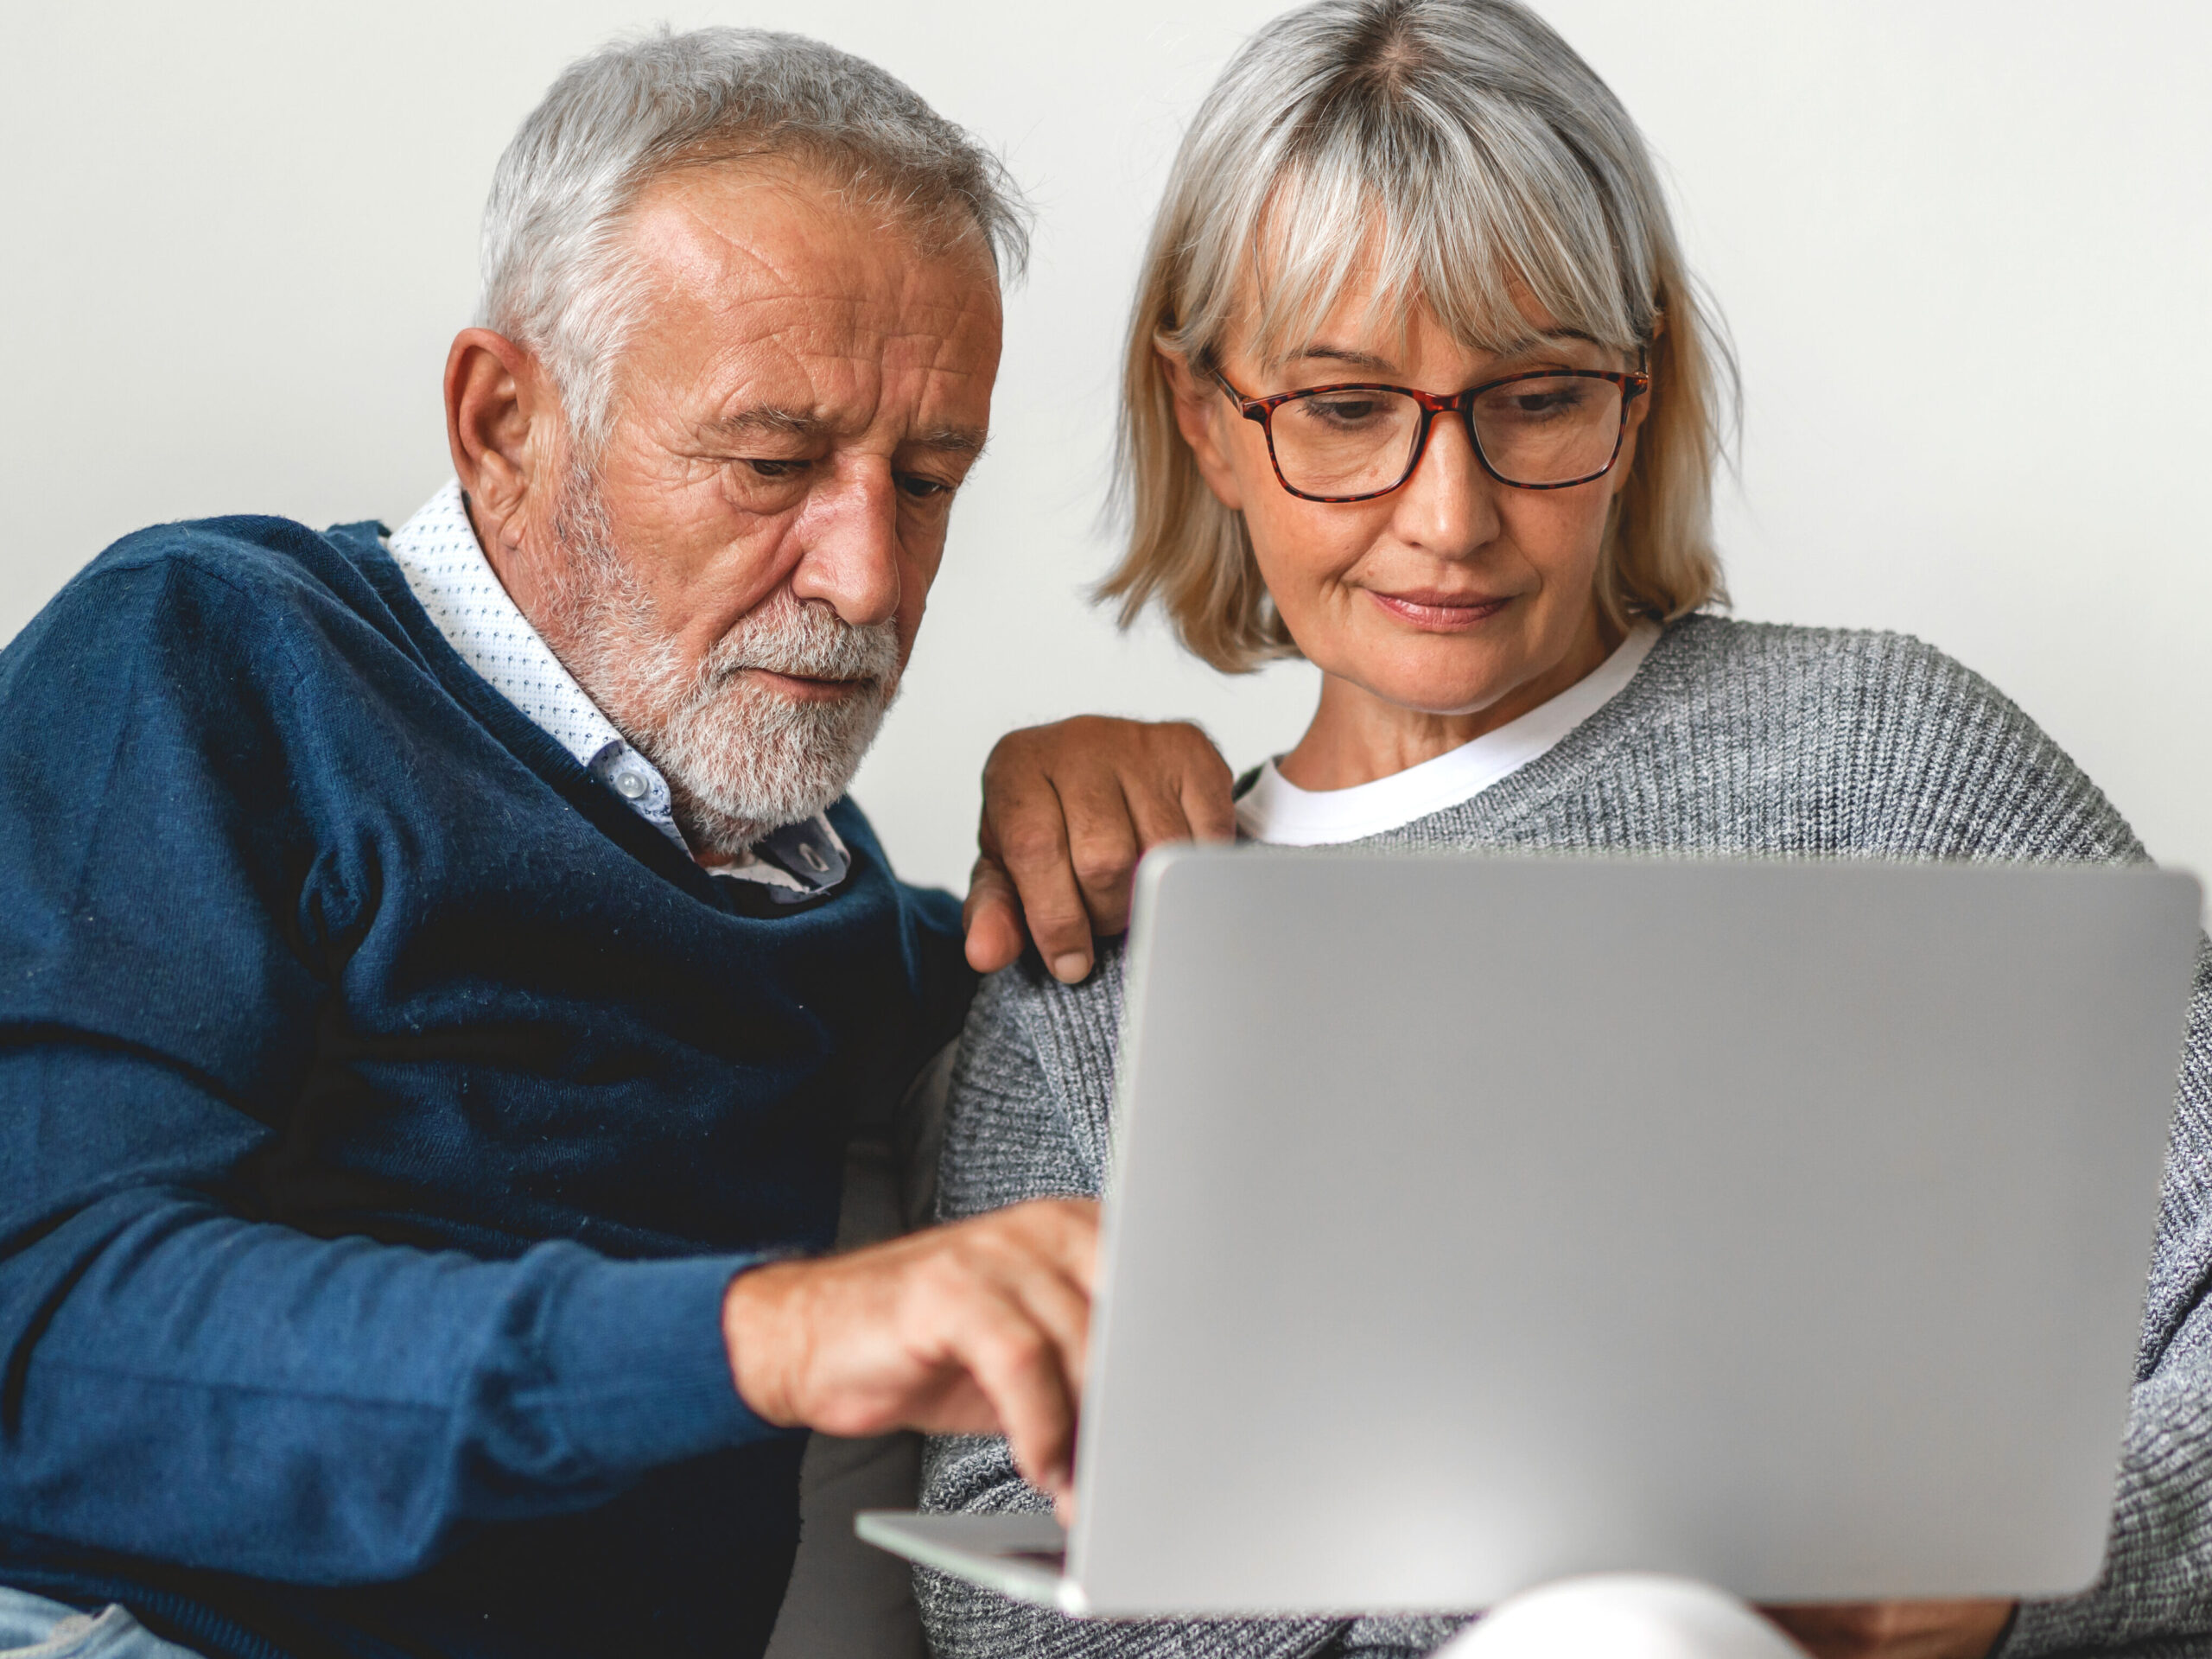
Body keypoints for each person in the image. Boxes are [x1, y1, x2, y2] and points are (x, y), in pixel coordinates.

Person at [916, 3, 2212, 1658]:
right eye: (1343, 410)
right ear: (1204, 416)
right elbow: (1000, 1594)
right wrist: (1539, 1541)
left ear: (1642, 387)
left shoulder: (1892, 769)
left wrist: (2018, 1583)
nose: (1447, 518)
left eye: (1535, 402)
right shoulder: (1099, 954)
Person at [0, 28, 1232, 1659]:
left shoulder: (824, 895)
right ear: (506, 420)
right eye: (772, 463)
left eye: (928, 479)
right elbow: (46, 1330)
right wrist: (760, 1340)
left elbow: (1101, 1018)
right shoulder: (216, 657)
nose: (869, 577)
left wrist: (1104, 796)